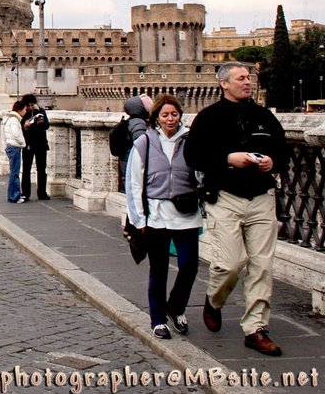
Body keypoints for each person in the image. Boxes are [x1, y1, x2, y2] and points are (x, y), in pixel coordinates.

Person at [183, 61, 287, 356]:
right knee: (229, 263)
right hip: (225, 197)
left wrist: (272, 163)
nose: (247, 83)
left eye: (249, 78)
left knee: (262, 265)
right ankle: (214, 300)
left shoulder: (264, 116)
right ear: (223, 84)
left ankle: (256, 328)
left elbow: (282, 151)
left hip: (262, 196)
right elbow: (193, 155)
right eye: (240, 78)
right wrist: (229, 158)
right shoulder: (208, 118)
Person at [125, 95, 201, 340]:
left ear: (180, 115)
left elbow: (201, 174)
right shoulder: (145, 143)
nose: (171, 119)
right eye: (165, 115)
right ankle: (157, 319)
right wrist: (139, 220)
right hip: (156, 216)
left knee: (189, 265)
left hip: (186, 213)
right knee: (158, 270)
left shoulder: (191, 142)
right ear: (156, 117)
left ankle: (176, 307)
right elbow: (134, 184)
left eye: (174, 114)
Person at [119, 94, 153, 188]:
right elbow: (142, 146)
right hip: (134, 166)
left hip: (126, 162)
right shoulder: (139, 124)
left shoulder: (129, 121)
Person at [20, 94, 50, 200]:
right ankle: (25, 193)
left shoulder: (40, 111)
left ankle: (42, 193)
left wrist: (40, 122)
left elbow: (46, 125)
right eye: (30, 105)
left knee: (42, 169)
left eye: (33, 105)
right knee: (26, 169)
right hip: (28, 144)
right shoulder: (23, 114)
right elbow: (21, 128)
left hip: (41, 144)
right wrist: (26, 126)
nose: (32, 107)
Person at [3, 100, 27, 203]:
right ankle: (14, 196)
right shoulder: (14, 120)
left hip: (11, 146)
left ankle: (13, 195)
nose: (25, 111)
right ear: (19, 110)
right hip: (15, 147)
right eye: (24, 109)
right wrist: (23, 143)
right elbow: (16, 134)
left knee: (14, 173)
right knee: (15, 173)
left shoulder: (10, 119)